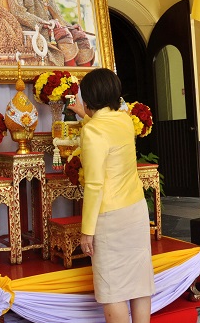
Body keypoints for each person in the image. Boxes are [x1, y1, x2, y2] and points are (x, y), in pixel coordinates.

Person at [68, 68, 155, 323]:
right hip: (135, 210)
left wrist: (87, 231)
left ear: (89, 97)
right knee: (139, 282)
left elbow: (94, 185)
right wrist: (85, 115)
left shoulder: (93, 131)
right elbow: (103, 128)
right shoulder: (124, 120)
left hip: (110, 218)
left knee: (113, 287)